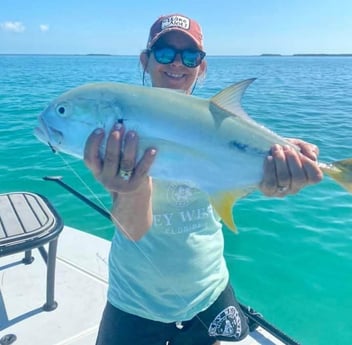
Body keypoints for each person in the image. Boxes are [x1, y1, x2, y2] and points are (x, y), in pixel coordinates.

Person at [84, 13, 323, 345]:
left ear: (202, 66)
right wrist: (132, 184)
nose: (177, 64)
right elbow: (135, 229)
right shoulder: (126, 132)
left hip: (209, 291)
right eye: (165, 53)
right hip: (135, 300)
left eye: (190, 56)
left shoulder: (228, 132)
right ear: (145, 61)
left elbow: (255, 166)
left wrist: (279, 175)